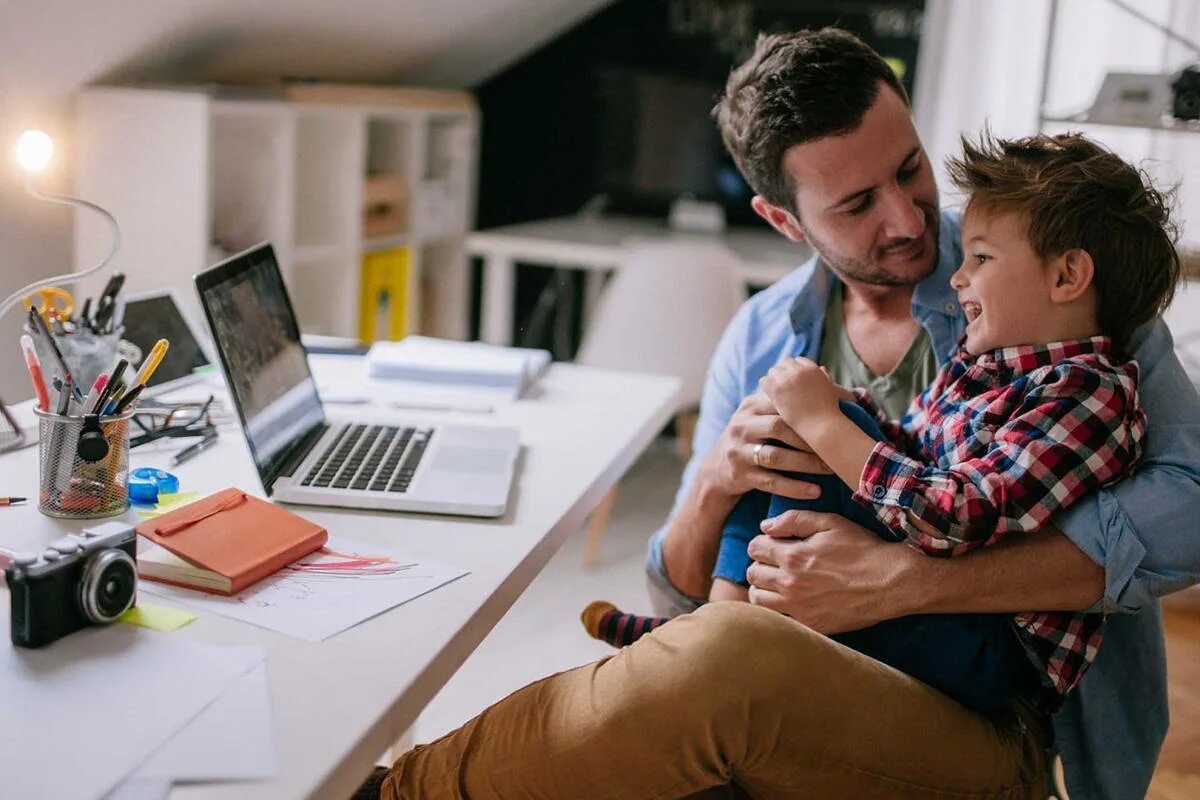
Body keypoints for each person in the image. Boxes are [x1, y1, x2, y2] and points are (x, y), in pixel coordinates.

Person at [378, 28, 1200, 799]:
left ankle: (392, 791)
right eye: (856, 204)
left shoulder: (1051, 289)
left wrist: (899, 584)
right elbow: (680, 598)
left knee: (725, 661)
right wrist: (713, 480)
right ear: (782, 218)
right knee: (693, 668)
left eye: (910, 169)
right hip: (805, 664)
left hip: (992, 716)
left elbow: (1189, 510)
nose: (909, 219)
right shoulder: (765, 333)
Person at [581, 129, 1178, 718]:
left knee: (810, 440)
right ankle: (710, 635)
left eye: (982, 258)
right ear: (786, 219)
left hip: (994, 646)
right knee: (778, 446)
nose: (957, 276)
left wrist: (828, 423)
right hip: (941, 597)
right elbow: (910, 447)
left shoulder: (1089, 392)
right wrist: (837, 412)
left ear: (1067, 276)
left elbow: (956, 515)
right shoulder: (982, 367)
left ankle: (709, 651)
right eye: (857, 200)